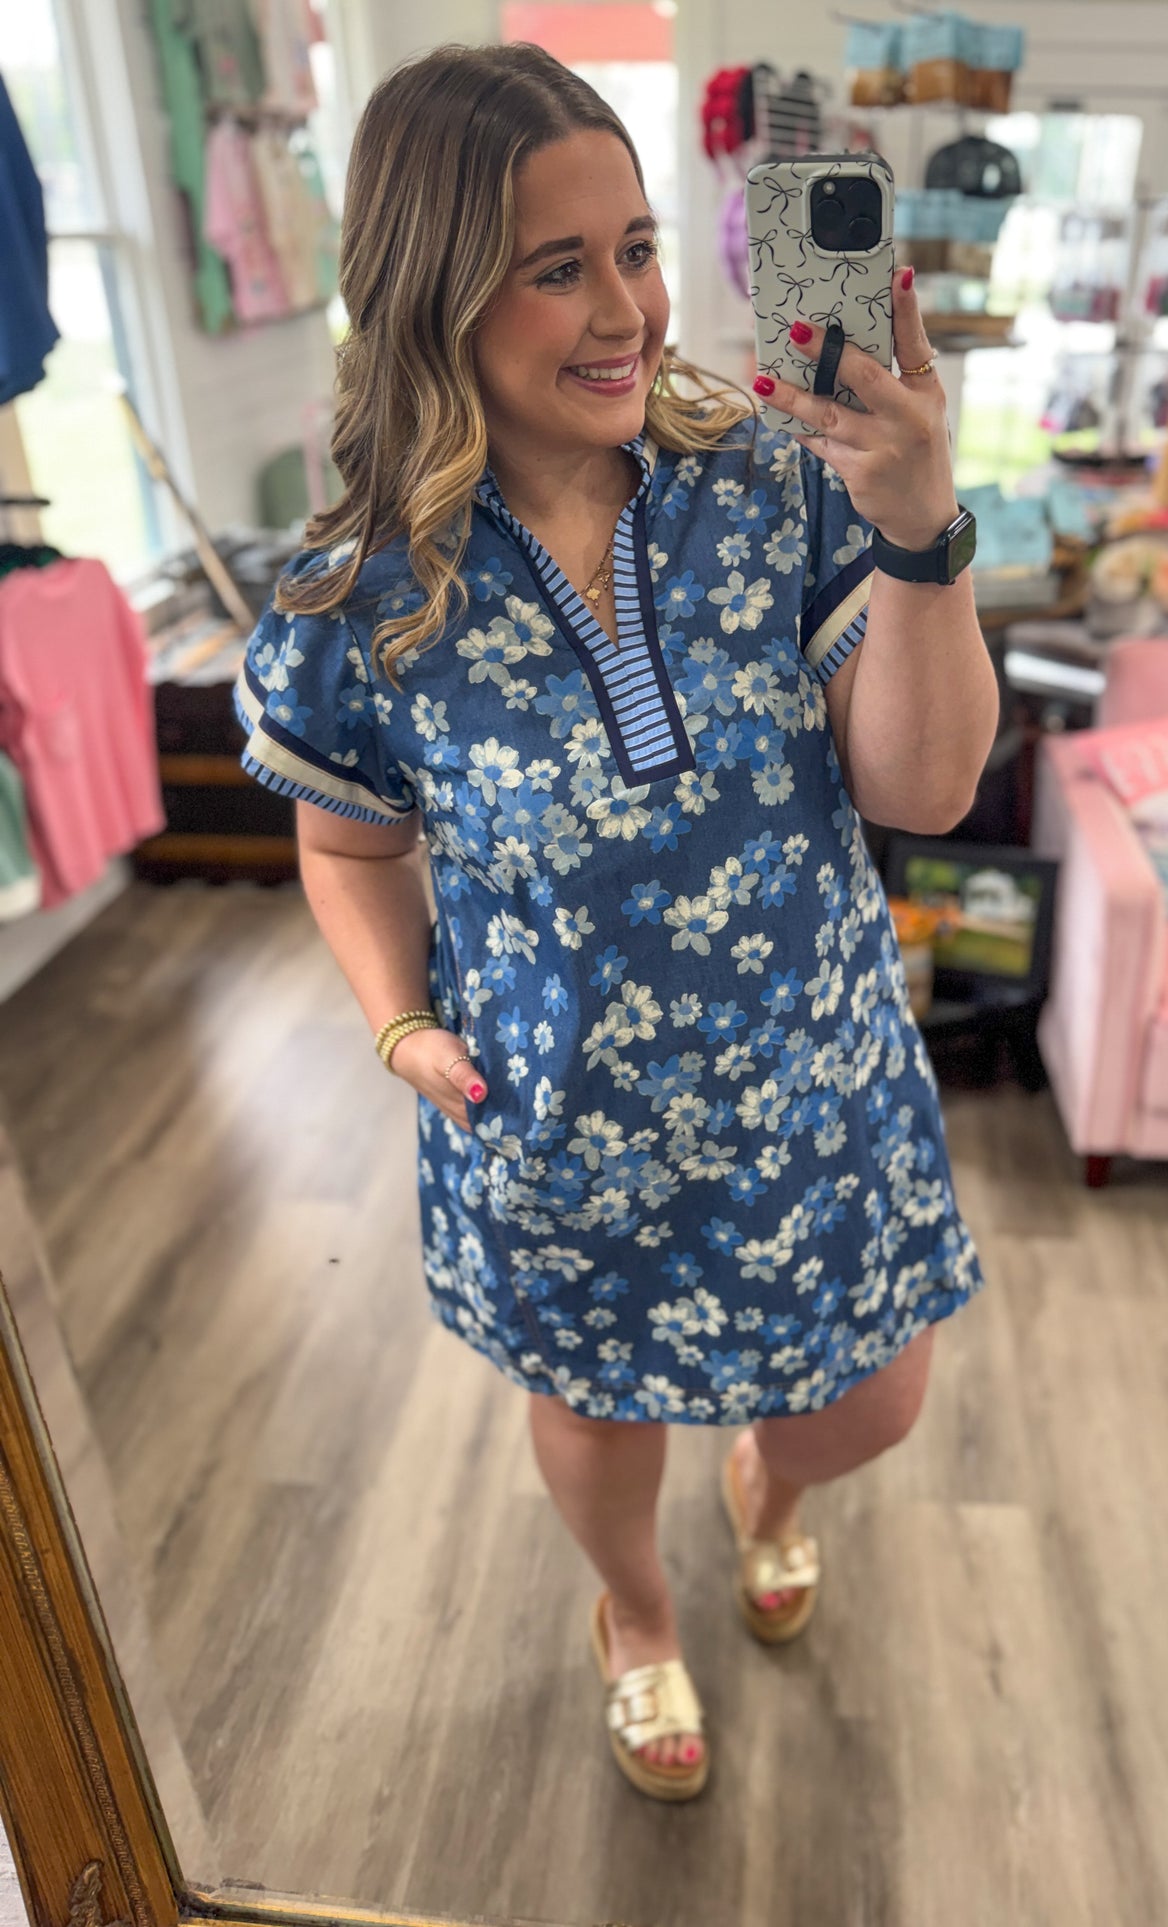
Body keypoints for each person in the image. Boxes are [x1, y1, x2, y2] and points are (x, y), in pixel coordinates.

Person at [233, 40, 998, 1804]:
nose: (628, 312)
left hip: (809, 1088)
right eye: (558, 266)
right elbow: (349, 853)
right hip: (556, 1124)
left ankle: (777, 1486)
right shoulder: (363, 591)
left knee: (867, 1401)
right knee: (601, 1423)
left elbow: (924, 791)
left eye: (639, 248)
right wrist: (399, 1024)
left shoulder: (765, 472)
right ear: (433, 294)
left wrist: (918, 529)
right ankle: (638, 1619)